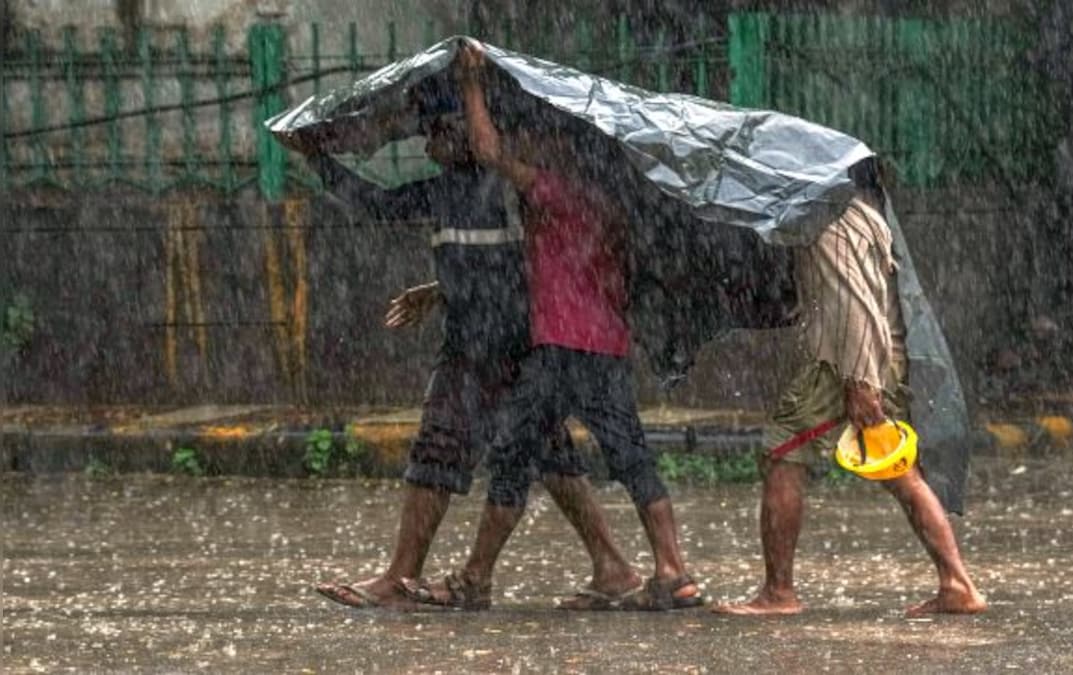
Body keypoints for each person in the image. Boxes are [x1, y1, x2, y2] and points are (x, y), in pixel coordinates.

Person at [293, 86, 639, 610]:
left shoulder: (507, 188)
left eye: (438, 131)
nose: (429, 143)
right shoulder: (449, 189)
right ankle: (609, 565)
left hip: (501, 347)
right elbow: (380, 207)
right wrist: (319, 159)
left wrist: (318, 157)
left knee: (452, 445)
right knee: (542, 452)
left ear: (465, 131)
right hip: (489, 344)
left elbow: (531, 266)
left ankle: (406, 576)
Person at [400, 42, 703, 612]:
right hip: (607, 348)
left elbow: (487, 149)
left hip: (559, 348)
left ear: (563, 150)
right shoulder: (613, 201)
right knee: (632, 457)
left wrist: (471, 83)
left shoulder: (553, 190)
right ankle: (672, 570)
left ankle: (475, 579)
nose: (529, 147)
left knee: (512, 457)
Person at [713, 183, 988, 617]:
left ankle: (778, 593)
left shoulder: (830, 220)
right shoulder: (861, 213)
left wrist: (860, 382)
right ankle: (957, 583)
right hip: (880, 359)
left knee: (782, 454)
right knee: (901, 474)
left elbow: (853, 304)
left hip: (844, 366)